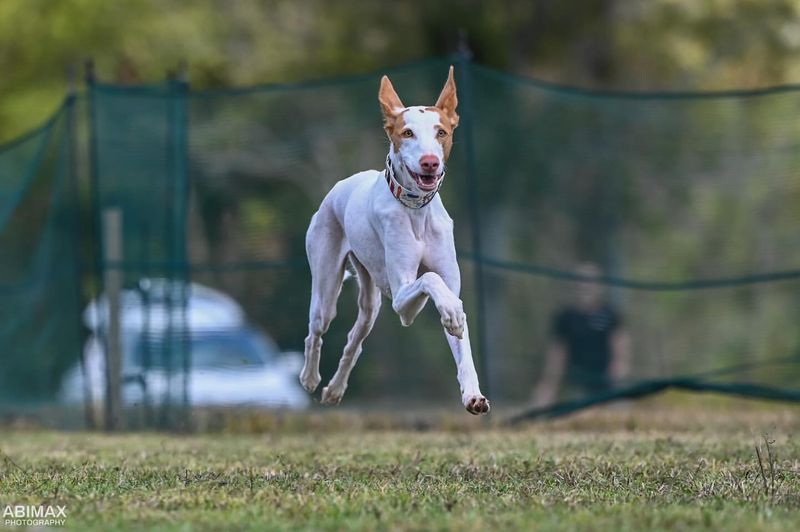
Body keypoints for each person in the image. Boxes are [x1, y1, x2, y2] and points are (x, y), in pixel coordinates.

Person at [532, 262, 631, 406]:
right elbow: (557, 353)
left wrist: (618, 372)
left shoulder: (610, 315)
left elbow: (621, 348)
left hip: (605, 382)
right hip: (576, 383)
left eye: (590, 281)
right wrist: (550, 382)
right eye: (581, 281)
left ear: (599, 286)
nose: (585, 286)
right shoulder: (566, 317)